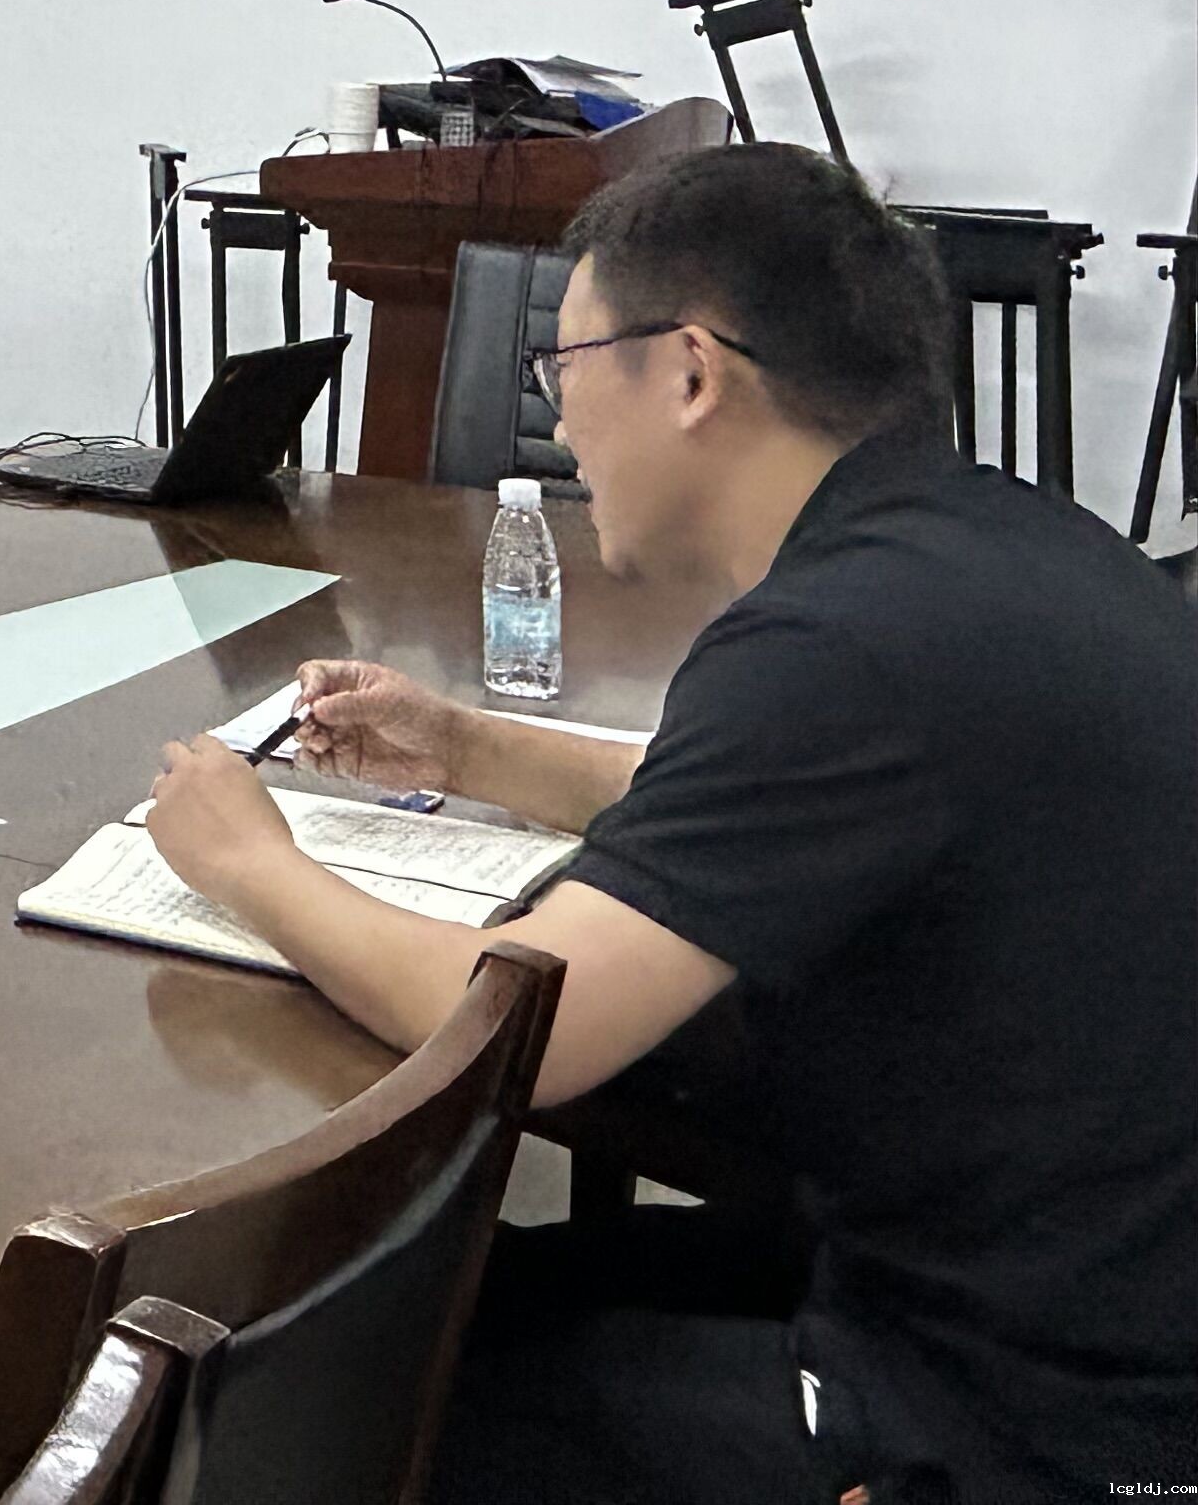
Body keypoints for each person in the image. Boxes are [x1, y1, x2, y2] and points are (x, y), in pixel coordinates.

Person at [137, 144, 1198, 1503]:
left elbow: (529, 1027)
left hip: (1033, 1422)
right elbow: (749, 797)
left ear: (691, 372)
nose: (562, 420)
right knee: (430, 1304)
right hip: (1040, 1287)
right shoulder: (987, 551)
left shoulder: (834, 642)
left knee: (296, 1411)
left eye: (565, 368)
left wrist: (249, 862)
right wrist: (466, 746)